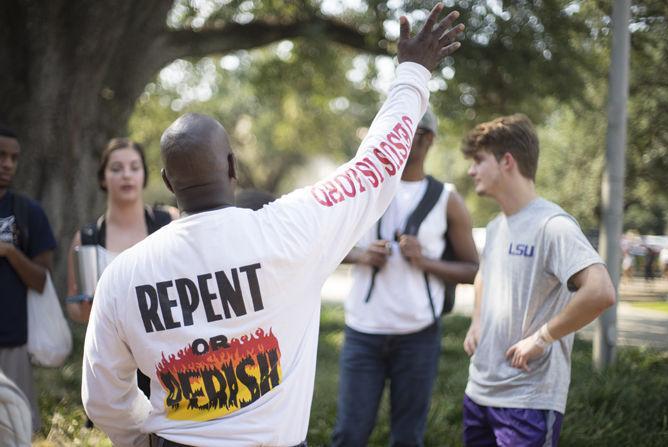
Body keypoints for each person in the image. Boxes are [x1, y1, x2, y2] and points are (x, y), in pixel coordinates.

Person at [81, 5, 465, 447]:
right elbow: (376, 164)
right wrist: (413, 73)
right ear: (232, 166)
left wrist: (141, 438)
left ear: (167, 183)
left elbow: (103, 398)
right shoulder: (292, 229)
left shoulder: (123, 275)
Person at [460, 114, 616, 447]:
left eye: (478, 161)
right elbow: (483, 276)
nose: (471, 170)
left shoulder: (553, 225)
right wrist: (476, 322)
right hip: (478, 393)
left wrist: (542, 338)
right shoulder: (496, 226)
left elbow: (600, 291)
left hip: (527, 401)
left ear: (507, 161)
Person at [331, 108, 479, 447]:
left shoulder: (447, 199)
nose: (392, 138)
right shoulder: (363, 191)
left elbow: (472, 270)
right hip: (363, 333)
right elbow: (324, 249)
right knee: (349, 434)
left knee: (408, 438)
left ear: (427, 139)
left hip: (418, 335)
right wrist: (361, 255)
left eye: (405, 131)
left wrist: (425, 261)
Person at [66, 138, 177, 401]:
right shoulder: (87, 237)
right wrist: (85, 308)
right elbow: (73, 305)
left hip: (168, 356)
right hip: (113, 363)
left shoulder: (169, 222)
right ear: (103, 178)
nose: (126, 174)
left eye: (134, 167)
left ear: (144, 176)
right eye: (116, 168)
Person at [0, 124, 57, 431]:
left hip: (12, 344)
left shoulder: (28, 211)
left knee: (14, 431)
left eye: (13, 157)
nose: (8, 163)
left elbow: (41, 281)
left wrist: (10, 252)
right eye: (1, 155)